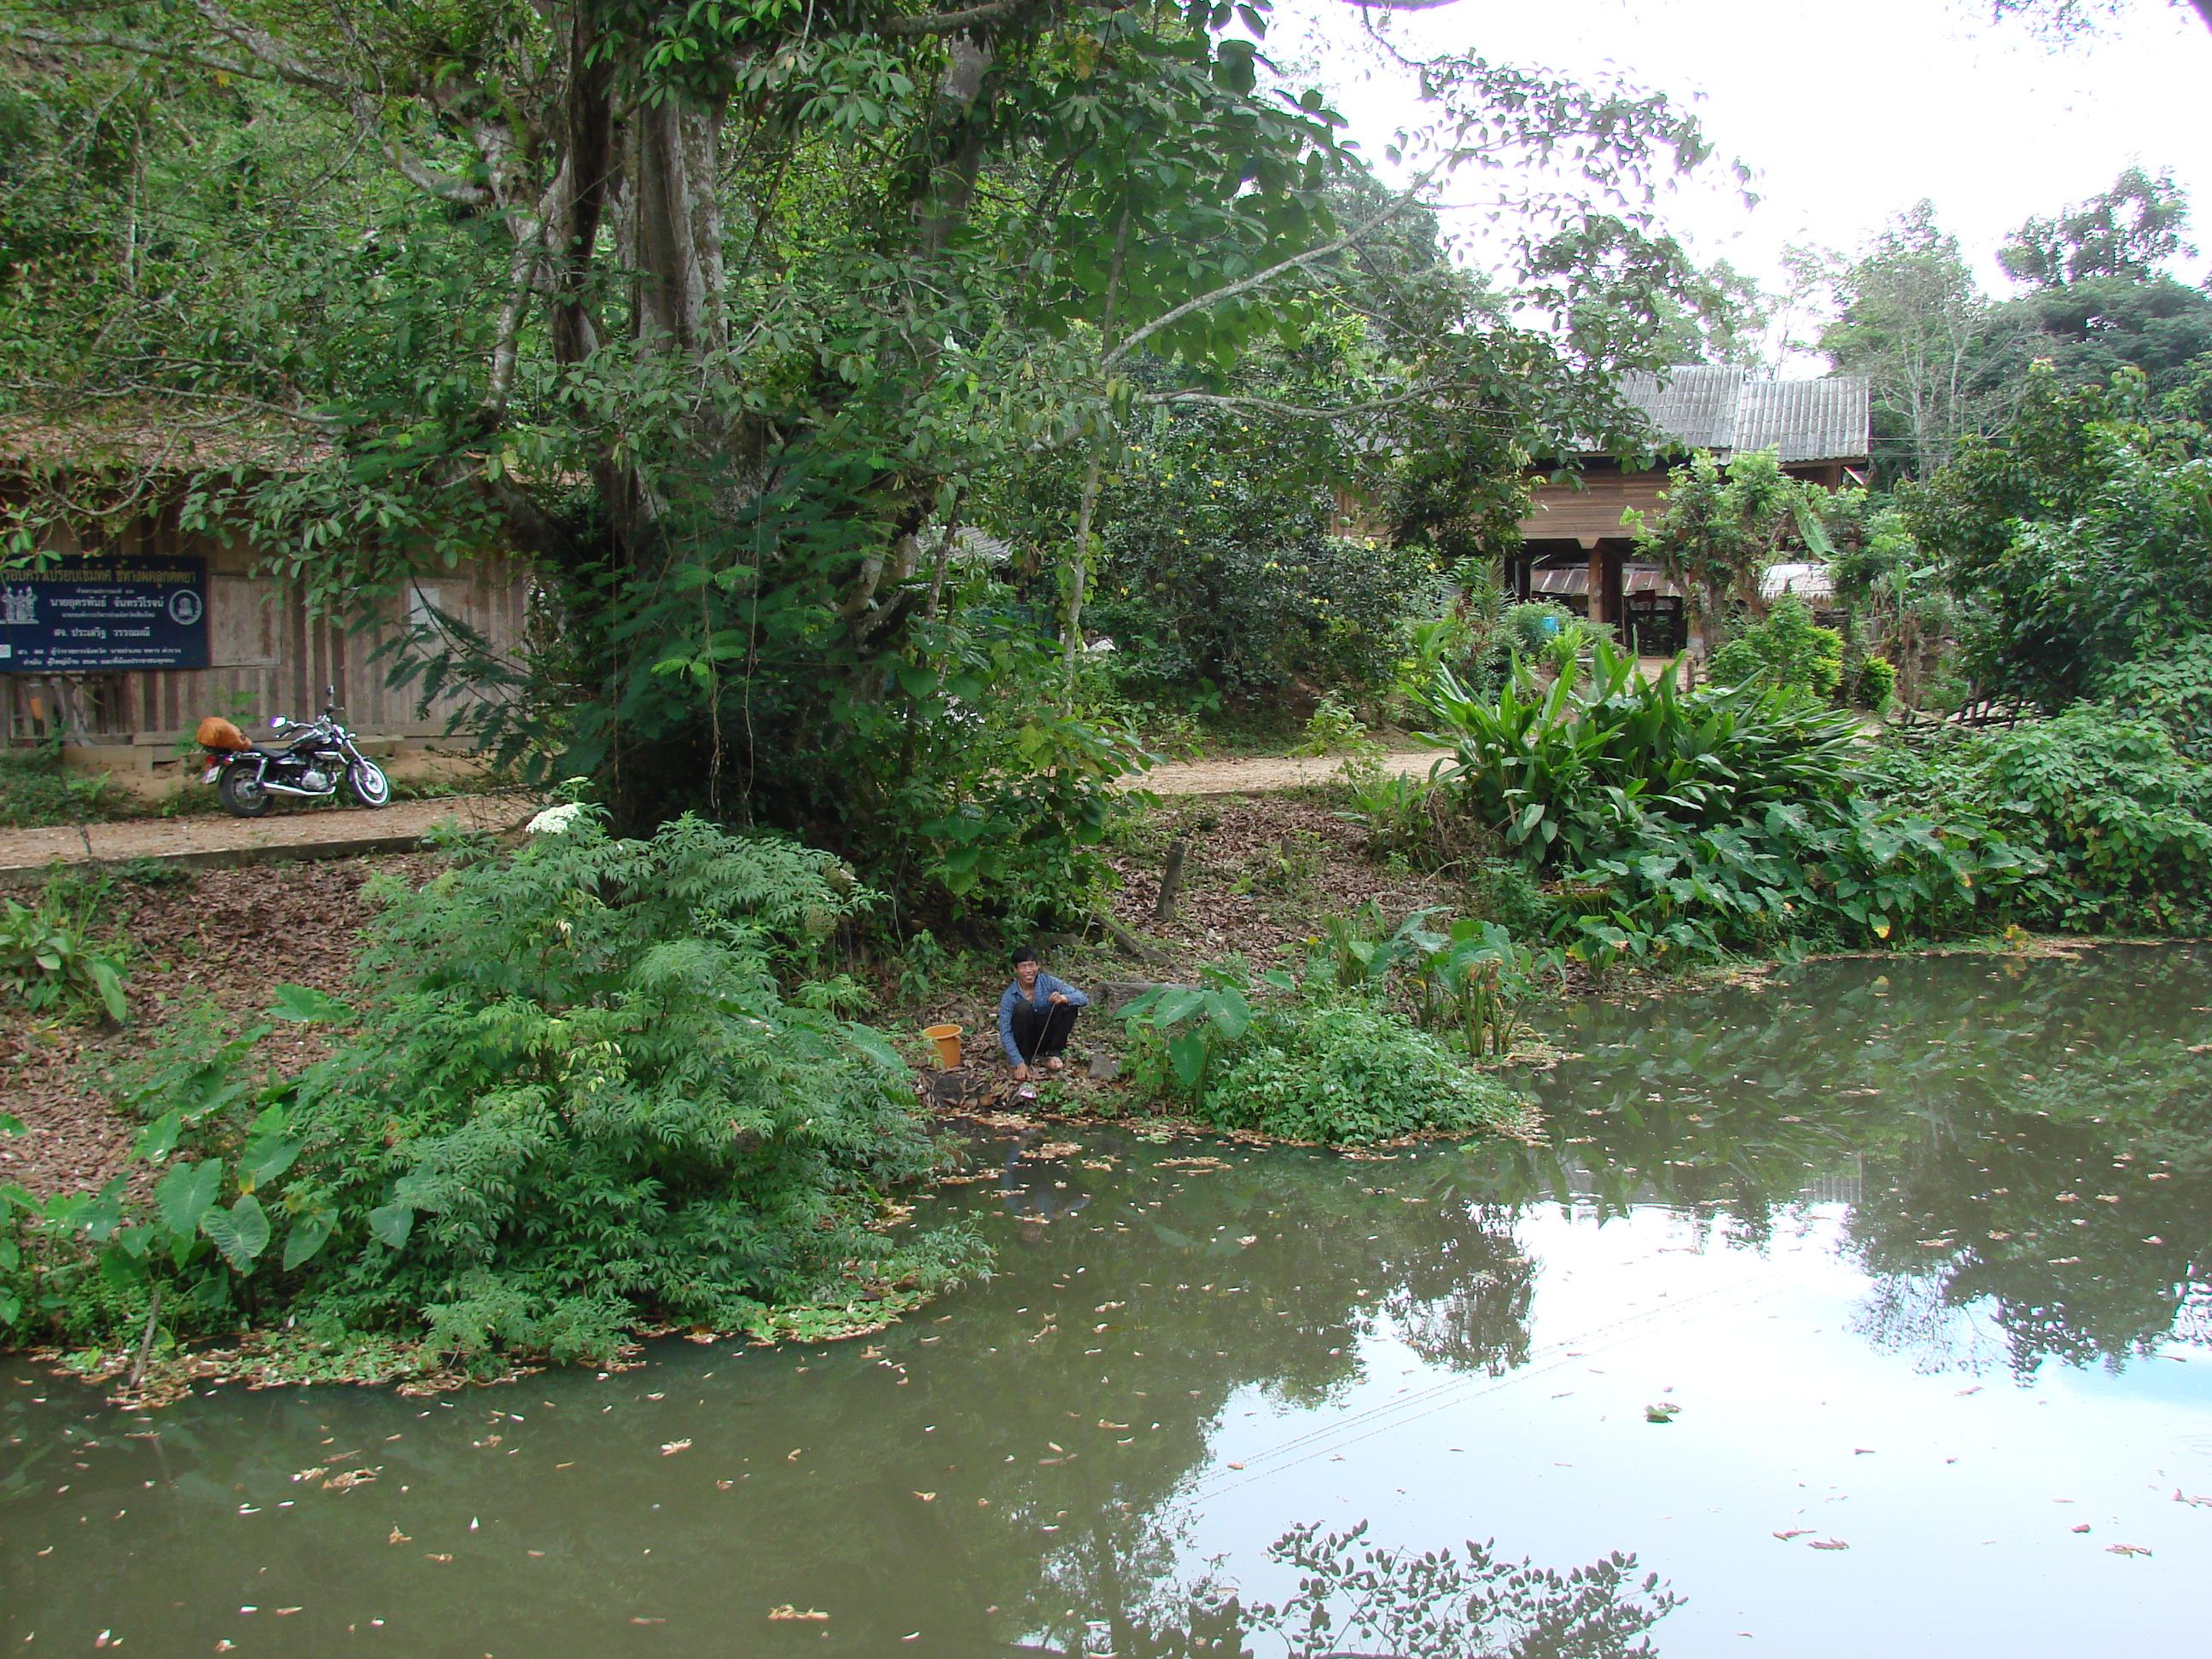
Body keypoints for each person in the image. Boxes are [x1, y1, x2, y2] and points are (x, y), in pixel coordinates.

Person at [998, 946, 1089, 1081]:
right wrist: (1018, 1062)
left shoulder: (1048, 982)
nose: (1028, 971)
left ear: (1038, 966)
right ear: (1015, 969)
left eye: (1031, 965)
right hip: (1025, 1040)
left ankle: (1054, 1053)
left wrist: (1064, 998)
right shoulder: (1010, 996)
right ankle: (1026, 1059)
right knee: (1023, 1008)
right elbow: (1005, 1032)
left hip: (1047, 1035)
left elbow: (1083, 998)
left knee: (1068, 1005)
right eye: (1023, 967)